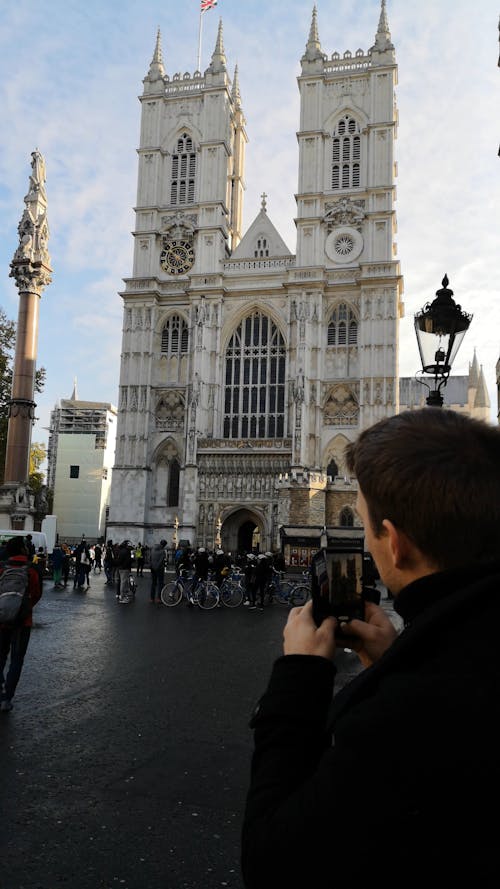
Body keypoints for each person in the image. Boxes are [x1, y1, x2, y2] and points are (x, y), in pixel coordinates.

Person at [242, 409, 500, 889]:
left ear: (395, 544)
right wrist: (400, 658)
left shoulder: (409, 718)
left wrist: (298, 679)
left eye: (362, 522)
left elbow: (275, 862)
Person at [0, 536, 42, 712]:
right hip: (22, 621)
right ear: (24, 549)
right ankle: (7, 698)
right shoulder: (32, 569)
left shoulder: (2, 568)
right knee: (17, 660)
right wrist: (24, 608)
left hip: (1, 620)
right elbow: (37, 593)